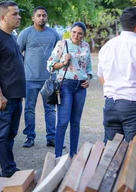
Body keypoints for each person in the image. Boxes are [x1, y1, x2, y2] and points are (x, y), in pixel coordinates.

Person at [97, 7, 136, 143]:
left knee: (111, 151)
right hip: (134, 106)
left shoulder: (107, 46)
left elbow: (101, 75)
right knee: (135, 152)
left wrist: (113, 89)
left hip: (111, 104)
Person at [0, 1, 25, 184]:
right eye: (14, 14)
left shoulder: (12, 37)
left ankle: (8, 169)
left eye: (18, 13)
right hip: (2, 98)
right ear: (3, 17)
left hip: (15, 96)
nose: (19, 17)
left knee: (9, 134)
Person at [47, 21, 93, 158]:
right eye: (74, 32)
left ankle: (73, 154)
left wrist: (88, 79)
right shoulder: (62, 44)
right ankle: (58, 155)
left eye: (80, 33)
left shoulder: (86, 46)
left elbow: (89, 67)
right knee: (62, 122)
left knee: (75, 122)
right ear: (70, 31)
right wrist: (64, 62)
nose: (76, 35)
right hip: (65, 85)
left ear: (84, 35)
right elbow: (50, 65)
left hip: (80, 87)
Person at [17, 6, 60, 148]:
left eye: (44, 15)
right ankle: (30, 137)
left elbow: (60, 54)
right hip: (30, 79)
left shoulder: (54, 34)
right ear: (33, 18)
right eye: (39, 15)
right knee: (29, 108)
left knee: (50, 109)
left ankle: (51, 138)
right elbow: (17, 54)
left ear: (47, 17)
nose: (42, 18)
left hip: (50, 79)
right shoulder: (25, 33)